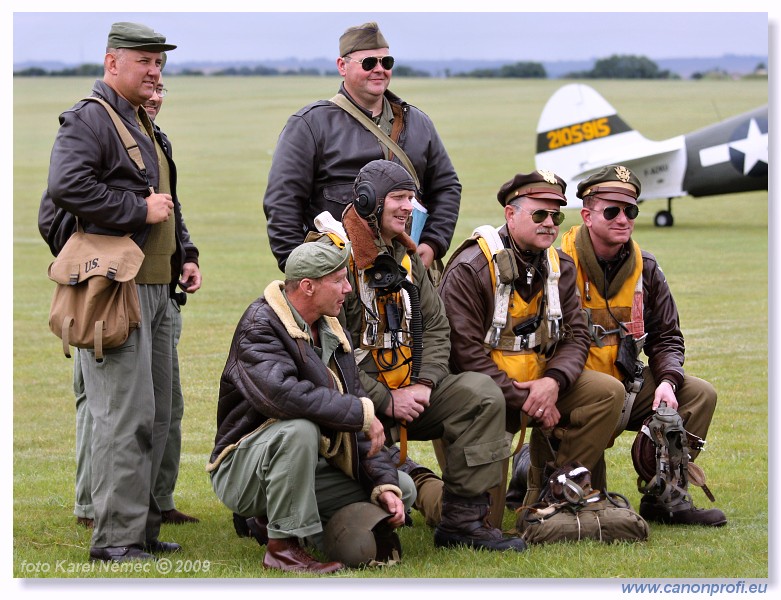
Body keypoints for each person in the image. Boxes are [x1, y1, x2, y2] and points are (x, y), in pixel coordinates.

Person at [41, 22, 201, 562]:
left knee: (159, 414)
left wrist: (186, 254)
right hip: (119, 292)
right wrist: (136, 210)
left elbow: (165, 200)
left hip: (158, 287)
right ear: (113, 62)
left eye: (159, 62)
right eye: (143, 61)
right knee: (123, 417)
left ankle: (145, 529)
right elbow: (67, 186)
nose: (154, 70)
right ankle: (114, 541)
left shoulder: (143, 124)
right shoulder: (91, 118)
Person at [313, 159, 526, 552]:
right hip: (351, 401)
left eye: (412, 198)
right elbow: (327, 352)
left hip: (410, 393)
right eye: (398, 198)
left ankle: (462, 521)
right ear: (368, 202)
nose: (409, 207)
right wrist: (385, 398)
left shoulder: (406, 257)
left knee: (479, 393)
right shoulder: (332, 256)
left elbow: (437, 327)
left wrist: (425, 383)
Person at [208, 241, 411, 574]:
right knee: (299, 428)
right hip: (241, 468)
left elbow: (354, 426)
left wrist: (383, 483)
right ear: (308, 286)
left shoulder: (333, 329)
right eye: (339, 280)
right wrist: (361, 414)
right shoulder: (260, 325)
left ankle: (283, 522)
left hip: (305, 464)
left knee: (402, 490)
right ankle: (282, 547)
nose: (349, 288)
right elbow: (284, 396)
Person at [438, 169, 625, 508]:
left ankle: (554, 492)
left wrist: (553, 383)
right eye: (539, 213)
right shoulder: (471, 268)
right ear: (510, 214)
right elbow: (462, 353)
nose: (550, 223)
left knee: (607, 392)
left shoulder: (559, 266)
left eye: (556, 215)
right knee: (476, 517)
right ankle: (420, 485)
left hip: (537, 387)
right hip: (481, 398)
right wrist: (525, 399)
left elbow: (577, 336)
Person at [557, 165, 726, 526]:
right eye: (612, 210)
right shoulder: (556, 265)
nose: (623, 219)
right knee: (583, 502)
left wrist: (667, 380)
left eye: (631, 210)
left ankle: (666, 491)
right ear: (587, 215)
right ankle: (530, 469)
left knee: (700, 394)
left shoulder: (646, 267)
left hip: (627, 383)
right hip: (571, 390)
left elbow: (667, 337)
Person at [263, 21, 461, 273]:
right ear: (342, 66)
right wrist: (303, 268)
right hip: (338, 272)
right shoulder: (310, 125)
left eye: (386, 63)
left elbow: (447, 187)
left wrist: (433, 243)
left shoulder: (418, 123)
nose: (379, 70)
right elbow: (283, 202)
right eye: (369, 63)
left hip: (408, 269)